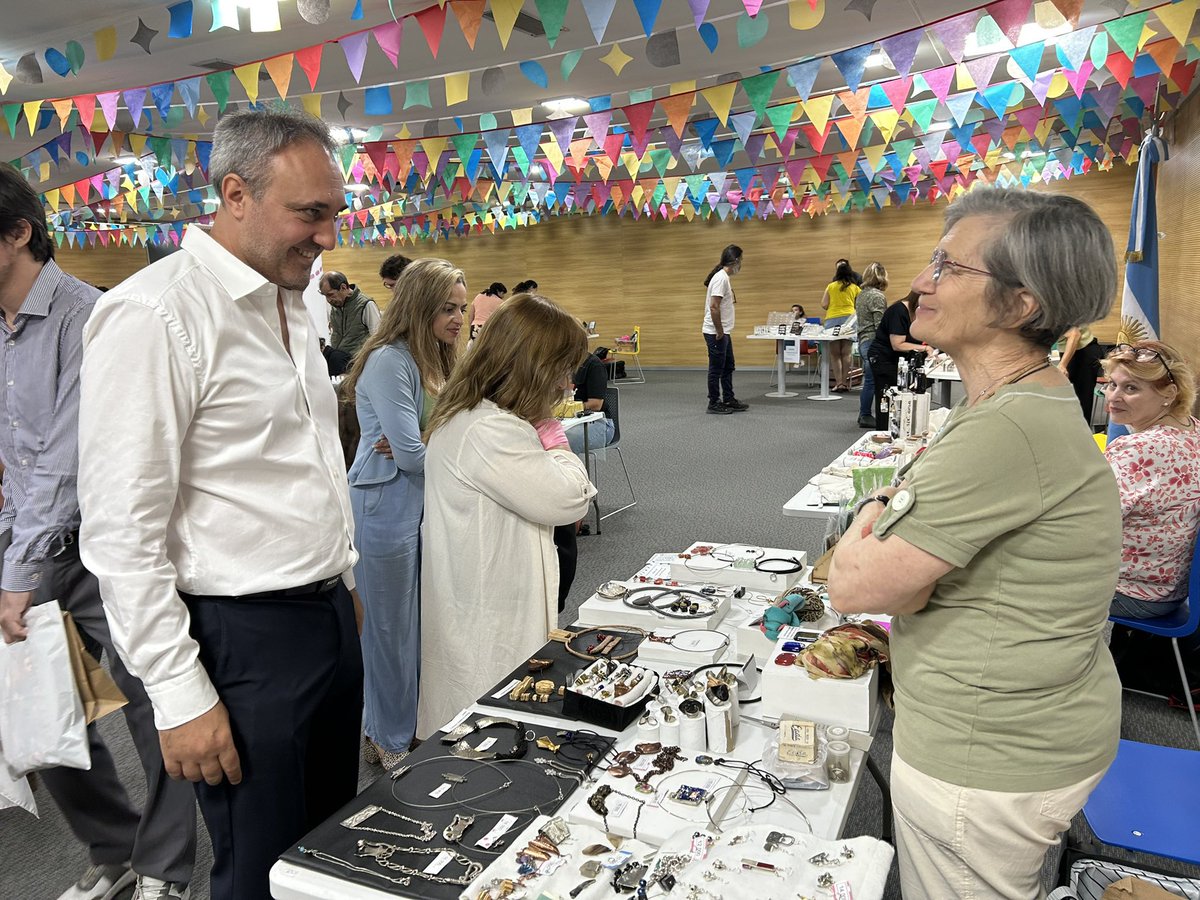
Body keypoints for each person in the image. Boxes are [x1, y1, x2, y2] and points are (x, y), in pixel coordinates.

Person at [77, 108, 362, 900]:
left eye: (334, 212)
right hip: (240, 641)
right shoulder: (155, 315)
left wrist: (341, 578)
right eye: (310, 213)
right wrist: (178, 695)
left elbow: (301, 461)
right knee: (261, 871)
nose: (327, 236)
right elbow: (121, 533)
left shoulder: (290, 299)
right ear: (235, 195)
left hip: (325, 618)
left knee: (331, 856)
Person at [827, 188, 1121, 899]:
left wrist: (872, 509)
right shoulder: (1020, 400)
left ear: (1021, 303)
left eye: (948, 267)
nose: (920, 282)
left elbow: (857, 586)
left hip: (984, 755)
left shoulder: (1004, 428)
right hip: (1023, 728)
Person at [0, 163, 197, 900]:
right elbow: (17, 461)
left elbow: (65, 458)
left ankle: (165, 866)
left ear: (18, 234)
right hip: (31, 543)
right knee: (42, 710)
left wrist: (17, 572)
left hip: (107, 543)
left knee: (154, 702)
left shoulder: (90, 315)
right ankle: (115, 847)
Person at [417, 293, 596, 737]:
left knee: (488, 726)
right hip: (487, 621)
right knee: (487, 731)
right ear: (532, 367)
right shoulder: (490, 429)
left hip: (483, 604)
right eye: (561, 369)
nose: (566, 384)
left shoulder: (478, 415)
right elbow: (569, 498)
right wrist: (555, 441)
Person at [343, 258, 465, 770]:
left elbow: (442, 438)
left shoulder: (439, 356)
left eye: (461, 308)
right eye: (448, 308)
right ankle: (387, 734)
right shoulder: (390, 361)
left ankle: (399, 723)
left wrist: (430, 442)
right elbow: (412, 457)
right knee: (389, 630)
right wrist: (435, 447)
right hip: (385, 507)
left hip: (424, 504)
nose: (459, 318)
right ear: (420, 306)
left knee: (419, 625)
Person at [1101, 341, 1200, 620]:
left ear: (1169, 393)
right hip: (1169, 589)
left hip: (1129, 592)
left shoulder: (1140, 449)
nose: (1113, 397)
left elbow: (1083, 522)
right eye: (1112, 384)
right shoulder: (1193, 430)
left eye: (1131, 388)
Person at [866, 291, 925, 430]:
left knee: (899, 398)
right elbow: (897, 344)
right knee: (886, 398)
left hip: (898, 360)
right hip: (883, 358)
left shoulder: (915, 312)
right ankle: (884, 432)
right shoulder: (898, 311)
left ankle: (899, 430)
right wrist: (924, 348)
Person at [701, 245, 749, 415]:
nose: (741, 264)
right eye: (741, 260)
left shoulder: (724, 278)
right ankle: (714, 402)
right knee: (716, 369)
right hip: (716, 332)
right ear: (735, 260)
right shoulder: (721, 278)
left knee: (728, 366)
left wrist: (723, 331)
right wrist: (719, 330)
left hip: (723, 331)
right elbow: (714, 307)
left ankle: (728, 398)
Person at [854, 263, 888, 428]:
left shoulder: (861, 295)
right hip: (874, 342)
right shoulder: (877, 296)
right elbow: (880, 325)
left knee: (869, 380)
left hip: (863, 340)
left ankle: (864, 413)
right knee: (872, 381)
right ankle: (865, 415)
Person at [819, 259, 860, 393]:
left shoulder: (831, 286)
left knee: (835, 354)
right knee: (846, 353)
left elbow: (824, 304)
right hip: (850, 319)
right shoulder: (855, 287)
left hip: (832, 319)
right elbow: (860, 303)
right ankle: (845, 382)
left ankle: (838, 383)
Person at [566, 350, 616, 455]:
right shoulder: (560, 363)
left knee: (564, 440)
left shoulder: (594, 365)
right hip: (569, 421)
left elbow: (596, 404)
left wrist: (570, 408)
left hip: (599, 424)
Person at [321, 270, 380, 358]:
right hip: (338, 360)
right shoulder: (335, 306)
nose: (328, 300)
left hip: (358, 361)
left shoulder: (366, 305)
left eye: (330, 294)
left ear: (343, 287)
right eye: (325, 295)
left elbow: (377, 337)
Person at [1058, 325, 1105, 423]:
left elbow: (1074, 334)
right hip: (1071, 351)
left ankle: (1081, 431)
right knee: (1071, 402)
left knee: (1081, 404)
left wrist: (1063, 365)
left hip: (1082, 351)